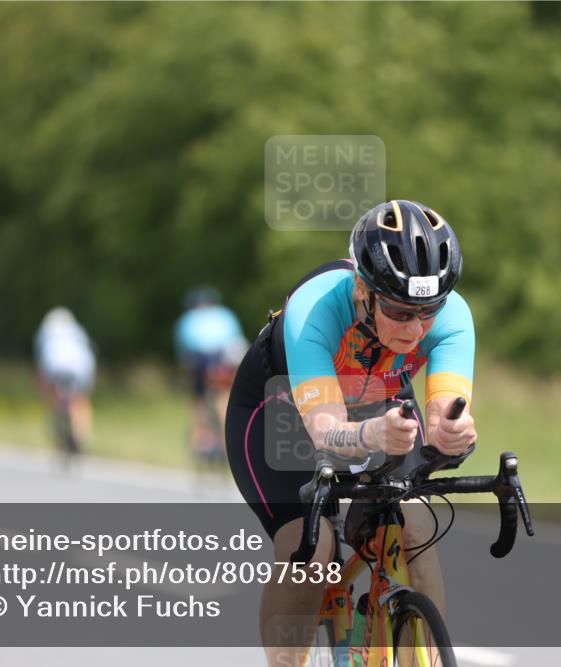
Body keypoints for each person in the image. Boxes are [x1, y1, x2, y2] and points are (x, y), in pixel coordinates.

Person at [225, 200, 477, 665]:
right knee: (312, 545)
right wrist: (372, 436)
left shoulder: (453, 317)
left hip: (378, 402)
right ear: (363, 289)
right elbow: (325, 431)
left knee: (417, 525)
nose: (417, 328)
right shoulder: (316, 308)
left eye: (429, 311)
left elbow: (445, 412)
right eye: (401, 312)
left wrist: (450, 434)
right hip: (279, 410)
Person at [175, 287, 248, 464]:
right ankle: (225, 442)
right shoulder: (225, 315)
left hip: (201, 361)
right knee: (222, 398)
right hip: (223, 361)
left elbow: (184, 351)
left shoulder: (188, 319)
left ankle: (200, 442)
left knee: (198, 401)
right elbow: (236, 342)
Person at [33, 307, 96, 460]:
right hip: (81, 366)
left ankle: (57, 424)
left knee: (54, 396)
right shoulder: (78, 331)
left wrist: (44, 385)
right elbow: (88, 352)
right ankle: (80, 435)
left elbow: (42, 361)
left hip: (55, 366)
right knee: (80, 400)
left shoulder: (45, 332)